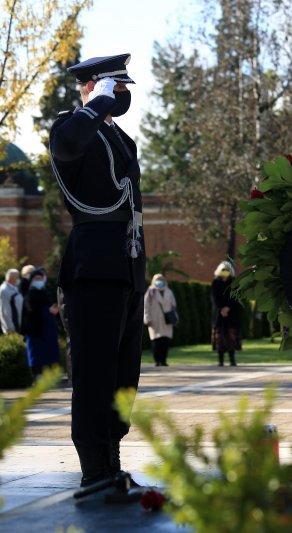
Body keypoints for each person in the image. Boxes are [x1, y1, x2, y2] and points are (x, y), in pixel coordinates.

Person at [50, 53, 145, 488]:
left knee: (123, 374)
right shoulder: (71, 128)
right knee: (94, 375)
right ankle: (94, 470)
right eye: (115, 87)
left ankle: (112, 459)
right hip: (92, 267)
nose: (122, 95)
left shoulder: (119, 138)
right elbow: (68, 146)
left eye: (123, 89)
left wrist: (138, 273)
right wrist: (93, 106)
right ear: (93, 86)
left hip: (124, 267)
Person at [20, 269, 60, 377]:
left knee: (49, 353)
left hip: (48, 327)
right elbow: (30, 311)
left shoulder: (46, 291)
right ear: (31, 280)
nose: (39, 280)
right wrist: (47, 310)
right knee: (36, 354)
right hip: (35, 330)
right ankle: (37, 375)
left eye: (40, 278)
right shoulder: (29, 294)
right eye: (36, 278)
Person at [211, 261, 242, 366]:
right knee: (219, 337)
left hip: (232, 314)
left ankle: (232, 359)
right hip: (219, 315)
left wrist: (228, 307)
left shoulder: (234, 283)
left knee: (231, 336)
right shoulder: (215, 282)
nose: (225, 272)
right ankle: (220, 360)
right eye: (223, 270)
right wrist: (221, 308)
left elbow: (236, 298)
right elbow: (215, 297)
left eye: (227, 270)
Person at [144, 274, 178, 367]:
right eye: (157, 280)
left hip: (167, 320)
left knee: (165, 341)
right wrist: (147, 319)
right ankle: (157, 360)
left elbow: (173, 306)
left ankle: (163, 360)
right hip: (155, 320)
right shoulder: (150, 292)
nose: (159, 281)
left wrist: (175, 318)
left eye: (161, 279)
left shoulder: (169, 291)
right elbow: (146, 306)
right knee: (156, 341)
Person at [0, 269, 23, 334]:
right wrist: (9, 327)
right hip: (12, 326)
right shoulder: (4, 290)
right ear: (11, 278)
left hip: (18, 324)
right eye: (17, 277)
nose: (18, 279)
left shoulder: (15, 288)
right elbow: (4, 311)